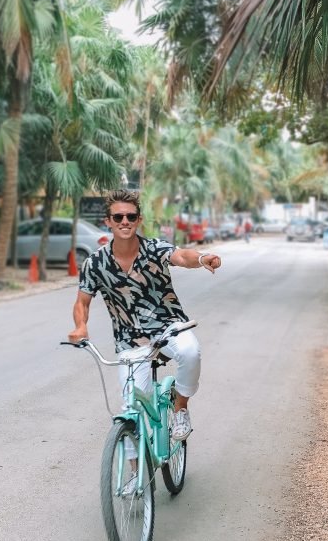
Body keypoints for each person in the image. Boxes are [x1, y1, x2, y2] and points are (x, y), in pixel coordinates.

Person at [68, 189, 221, 442]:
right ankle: (133, 478)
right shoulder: (95, 264)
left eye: (130, 216)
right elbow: (82, 302)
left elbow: (182, 256)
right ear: (108, 221)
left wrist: (203, 258)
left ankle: (180, 408)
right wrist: (80, 327)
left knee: (190, 352)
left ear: (139, 219)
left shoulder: (154, 248)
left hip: (169, 326)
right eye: (118, 217)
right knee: (132, 411)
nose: (124, 222)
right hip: (130, 339)